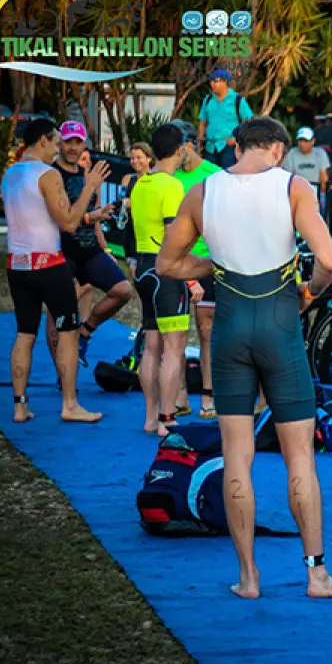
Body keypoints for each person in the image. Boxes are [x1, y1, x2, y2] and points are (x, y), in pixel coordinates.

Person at [156, 116, 332, 600]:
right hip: (280, 326)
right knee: (300, 457)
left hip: (228, 331)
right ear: (280, 150)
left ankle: (248, 577)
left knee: (237, 458)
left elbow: (167, 264)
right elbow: (330, 260)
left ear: (237, 147)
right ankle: (316, 574)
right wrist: (309, 292)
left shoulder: (202, 192)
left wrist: (218, 265)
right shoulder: (294, 187)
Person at [1, 119, 102, 424]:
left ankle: (20, 406)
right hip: (48, 264)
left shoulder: (10, 173)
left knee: (24, 333)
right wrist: (89, 188)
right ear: (43, 140)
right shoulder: (48, 175)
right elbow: (69, 222)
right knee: (69, 334)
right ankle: (69, 404)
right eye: (56, 140)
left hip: (17, 265)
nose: (59, 146)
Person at [48, 122, 133, 369]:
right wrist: (89, 216)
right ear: (59, 144)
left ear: (84, 144)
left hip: (89, 249)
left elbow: (90, 214)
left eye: (78, 142)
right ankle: (61, 374)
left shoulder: (88, 175)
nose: (73, 148)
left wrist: (102, 239)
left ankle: (84, 333)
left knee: (123, 290)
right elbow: (62, 219)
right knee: (59, 313)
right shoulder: (53, 175)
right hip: (62, 250)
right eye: (68, 142)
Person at [131, 125, 194, 436]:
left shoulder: (141, 184)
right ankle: (167, 418)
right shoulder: (171, 186)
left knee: (151, 345)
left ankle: (150, 416)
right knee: (174, 346)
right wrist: (191, 277)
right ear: (179, 149)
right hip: (165, 271)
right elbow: (174, 236)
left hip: (143, 268)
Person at [171, 120, 224, 419]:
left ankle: (208, 396)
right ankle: (179, 396)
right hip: (177, 262)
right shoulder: (170, 176)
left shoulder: (214, 175)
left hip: (206, 260)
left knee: (206, 330)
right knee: (175, 334)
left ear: (190, 145)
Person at [198, 68, 253, 168]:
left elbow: (249, 122)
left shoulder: (237, 100)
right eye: (211, 81)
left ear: (225, 82)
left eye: (216, 81)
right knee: (210, 178)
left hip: (229, 148)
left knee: (227, 177)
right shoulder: (208, 99)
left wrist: (237, 139)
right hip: (210, 148)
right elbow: (203, 122)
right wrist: (199, 143)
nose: (212, 84)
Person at [119, 142, 153, 275]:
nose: (135, 161)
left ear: (149, 158)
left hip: (148, 235)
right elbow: (122, 200)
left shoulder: (155, 179)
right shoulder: (127, 179)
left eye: (139, 158)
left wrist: (132, 203)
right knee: (134, 274)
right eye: (133, 158)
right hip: (131, 233)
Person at [283, 127, 331, 193]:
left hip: (315, 190)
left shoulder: (320, 153)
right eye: (300, 141)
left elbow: (323, 176)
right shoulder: (291, 153)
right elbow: (288, 176)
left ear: (313, 141)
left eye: (306, 141)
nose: (302, 144)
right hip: (296, 190)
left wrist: (323, 194)